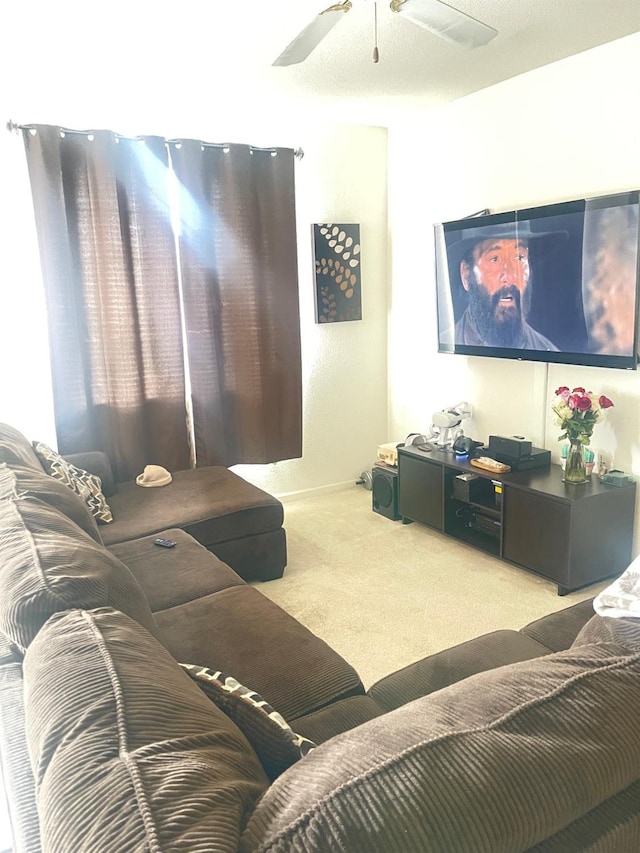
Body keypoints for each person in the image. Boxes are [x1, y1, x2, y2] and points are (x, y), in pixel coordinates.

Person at [448, 222, 559, 350]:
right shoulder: (443, 352)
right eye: (494, 259)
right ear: (466, 274)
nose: (510, 276)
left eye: (519, 257)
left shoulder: (547, 352)